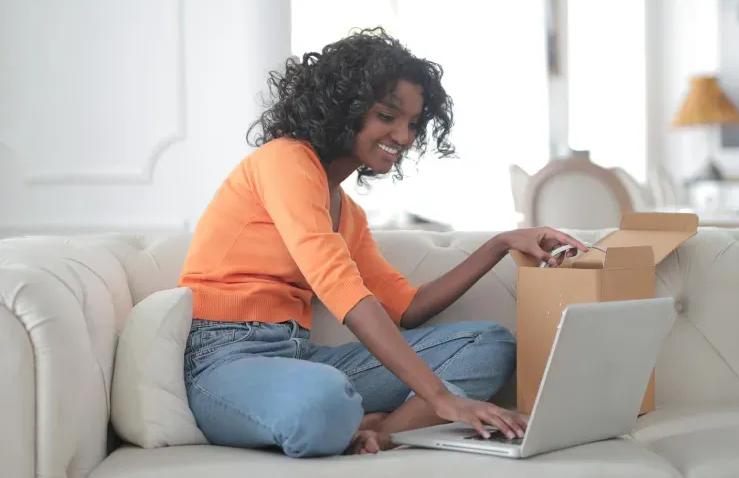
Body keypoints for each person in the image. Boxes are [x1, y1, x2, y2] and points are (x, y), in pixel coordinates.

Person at [178, 28, 586, 458]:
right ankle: (356, 416)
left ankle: (383, 432)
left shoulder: (348, 213)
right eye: (387, 116)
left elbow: (407, 307)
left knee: (489, 345)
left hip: (296, 357)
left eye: (413, 123)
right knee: (323, 399)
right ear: (343, 107)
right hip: (223, 362)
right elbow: (340, 286)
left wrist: (499, 244)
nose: (404, 136)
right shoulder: (285, 159)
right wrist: (439, 397)